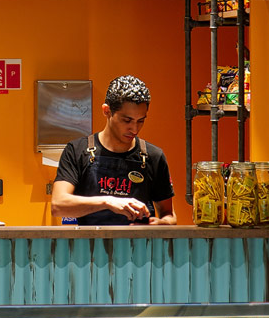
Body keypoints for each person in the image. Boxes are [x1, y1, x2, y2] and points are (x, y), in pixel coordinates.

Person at [51, 75, 176, 225]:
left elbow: (169, 215)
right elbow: (58, 205)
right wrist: (108, 202)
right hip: (90, 240)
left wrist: (163, 224)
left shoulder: (154, 156)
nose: (134, 129)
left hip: (139, 240)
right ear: (107, 111)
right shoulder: (77, 151)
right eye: (127, 120)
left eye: (141, 121)